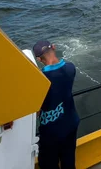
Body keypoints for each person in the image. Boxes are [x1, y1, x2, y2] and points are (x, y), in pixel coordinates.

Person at [34, 40, 79, 169]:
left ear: (38, 59)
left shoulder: (40, 78)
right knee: (69, 161)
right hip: (71, 123)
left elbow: (36, 110)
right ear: (54, 47)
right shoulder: (70, 68)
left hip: (50, 131)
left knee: (48, 164)